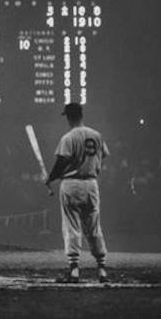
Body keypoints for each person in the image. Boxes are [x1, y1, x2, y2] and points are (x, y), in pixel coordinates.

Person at [45, 103, 109, 283]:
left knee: (72, 226)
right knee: (94, 226)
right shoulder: (96, 135)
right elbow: (102, 155)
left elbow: (61, 163)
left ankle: (74, 269)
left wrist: (50, 178)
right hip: (92, 184)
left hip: (72, 184)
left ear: (69, 117)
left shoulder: (68, 137)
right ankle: (102, 268)